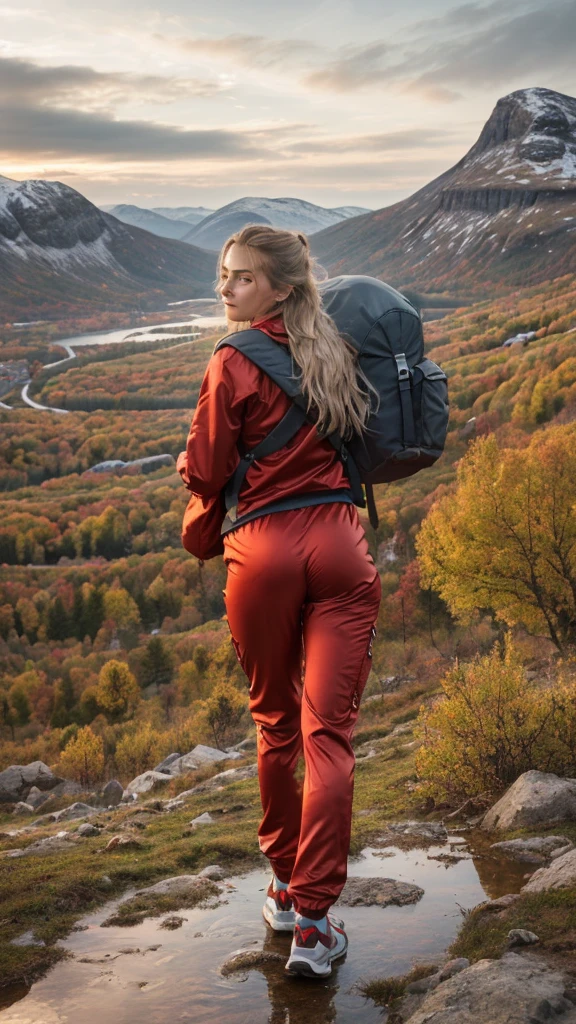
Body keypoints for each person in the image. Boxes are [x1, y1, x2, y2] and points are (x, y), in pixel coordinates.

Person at [178, 224, 382, 978]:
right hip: (338, 545)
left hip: (260, 554)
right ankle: (316, 928)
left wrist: (192, 469)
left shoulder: (229, 360)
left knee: (276, 726)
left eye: (241, 278)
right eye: (224, 276)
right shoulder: (333, 347)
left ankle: (288, 890)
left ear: (281, 286)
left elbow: (205, 469)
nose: (225, 290)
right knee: (329, 734)